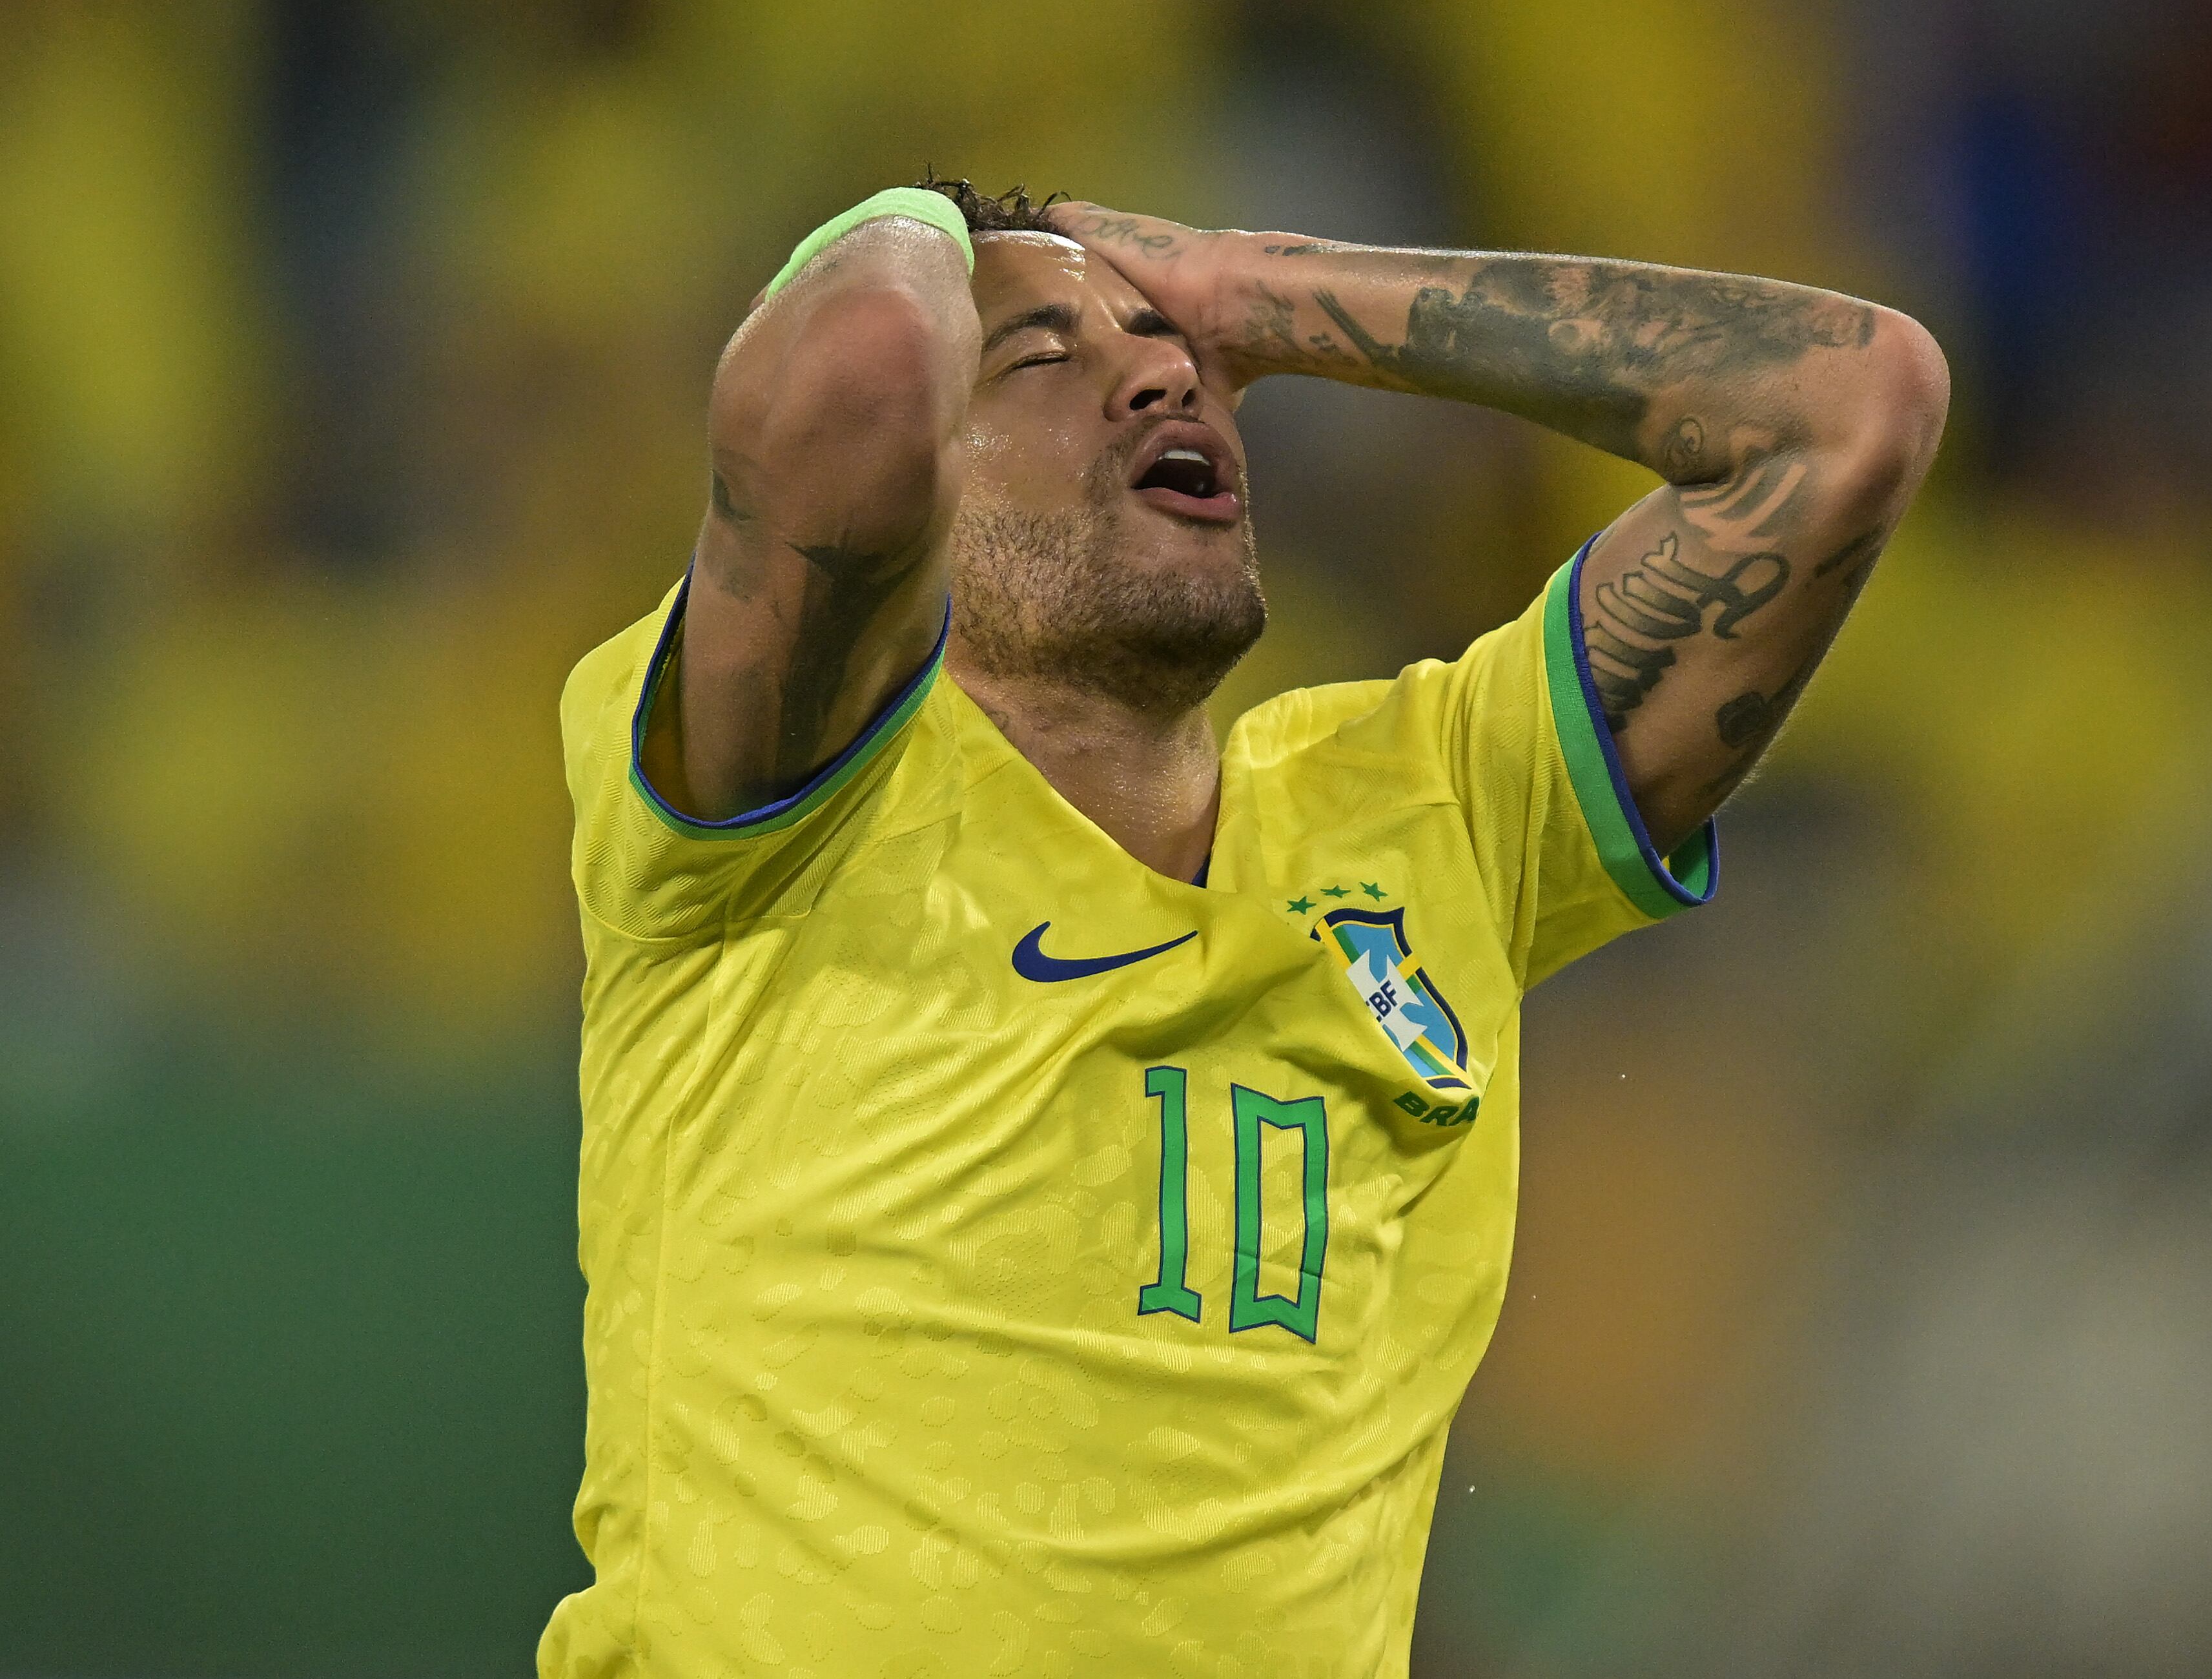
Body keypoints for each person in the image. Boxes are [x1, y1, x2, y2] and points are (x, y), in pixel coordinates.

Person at [544, 176, 1947, 1676]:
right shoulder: (781, 804)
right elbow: (860, 371)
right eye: (1039, 357)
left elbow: (1847, 407)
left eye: (1181, 356)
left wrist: (1246, 288)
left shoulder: (1439, 807)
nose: (1165, 376)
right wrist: (923, 213)